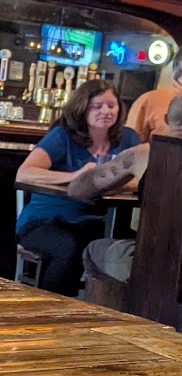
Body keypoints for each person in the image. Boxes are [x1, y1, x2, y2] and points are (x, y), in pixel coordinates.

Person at [15, 79, 142, 294]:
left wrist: (115, 181)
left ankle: (106, 310)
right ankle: (50, 311)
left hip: (98, 222)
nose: (106, 111)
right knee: (69, 247)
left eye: (112, 105)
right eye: (97, 106)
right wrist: (75, 176)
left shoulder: (127, 138)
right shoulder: (63, 136)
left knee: (133, 249)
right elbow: (25, 172)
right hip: (45, 221)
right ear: (82, 107)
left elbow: (141, 175)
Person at [70, 94, 182, 285]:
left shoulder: (144, 153)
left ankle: (115, 312)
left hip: (152, 259)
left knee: (94, 249)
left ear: (165, 120)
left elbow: (78, 190)